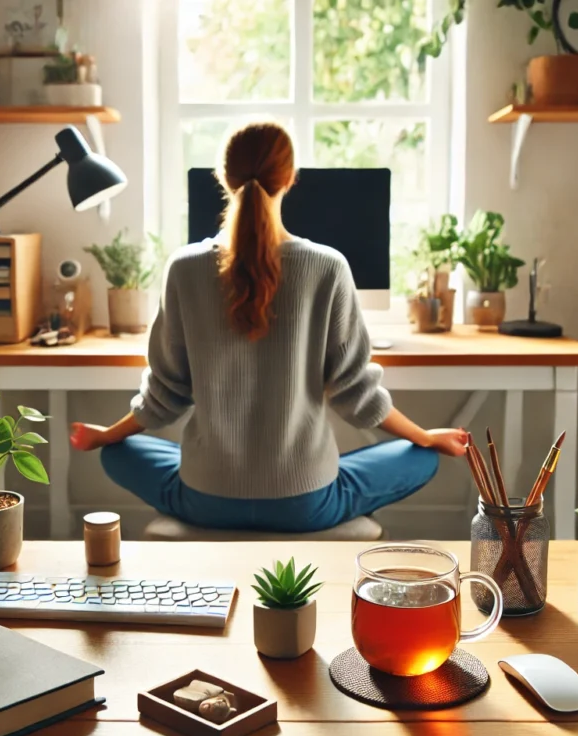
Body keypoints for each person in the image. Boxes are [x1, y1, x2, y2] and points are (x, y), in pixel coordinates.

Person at [70, 121, 467, 532]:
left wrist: (106, 436)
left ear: (223, 179)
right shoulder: (328, 267)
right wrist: (425, 437)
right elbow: (357, 397)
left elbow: (165, 395)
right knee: (420, 457)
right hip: (307, 503)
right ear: (292, 178)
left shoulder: (184, 269)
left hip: (205, 499)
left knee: (117, 453)